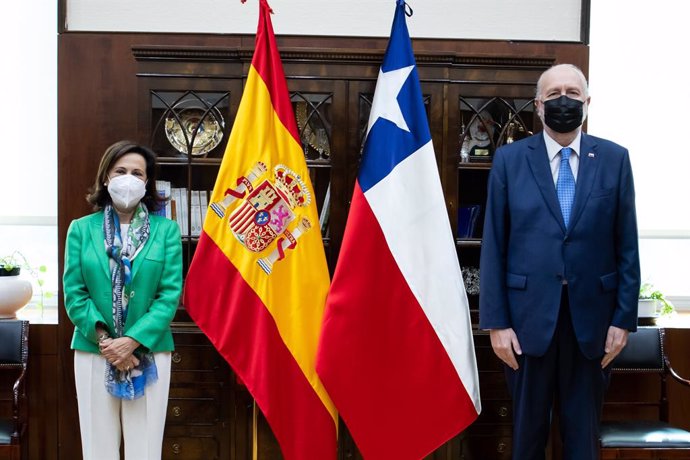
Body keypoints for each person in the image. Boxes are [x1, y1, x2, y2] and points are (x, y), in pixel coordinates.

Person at [479, 64, 640, 460]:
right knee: (528, 441)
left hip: (593, 326)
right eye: (553, 94)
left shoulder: (615, 160)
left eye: (572, 92)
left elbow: (627, 247)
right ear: (538, 105)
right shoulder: (509, 161)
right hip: (526, 323)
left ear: (587, 103)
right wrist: (497, 324)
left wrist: (622, 321)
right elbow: (494, 246)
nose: (563, 100)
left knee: (582, 442)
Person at [63, 140, 182, 460]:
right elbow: (74, 294)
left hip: (150, 352)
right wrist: (107, 340)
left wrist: (131, 341)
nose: (128, 178)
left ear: (146, 183)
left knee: (144, 448)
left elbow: (168, 296)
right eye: (120, 171)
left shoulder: (167, 231)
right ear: (106, 177)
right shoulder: (80, 230)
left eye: (137, 173)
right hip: (93, 351)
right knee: (98, 447)